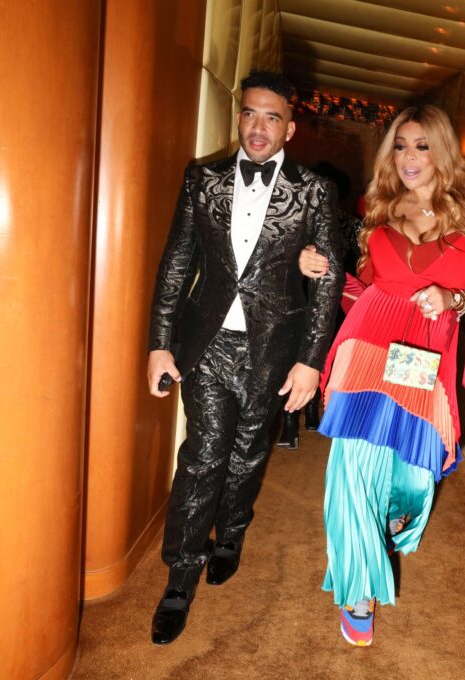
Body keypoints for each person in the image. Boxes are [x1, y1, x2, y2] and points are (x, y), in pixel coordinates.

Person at [145, 70, 343, 645]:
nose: (258, 128)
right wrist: (160, 342)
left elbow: (327, 280)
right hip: (206, 344)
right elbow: (177, 261)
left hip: (275, 349)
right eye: (250, 114)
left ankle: (231, 532)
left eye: (272, 117)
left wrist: (311, 361)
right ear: (240, 117)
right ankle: (180, 576)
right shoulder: (201, 178)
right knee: (203, 456)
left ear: (290, 127)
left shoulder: (313, 191)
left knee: (248, 453)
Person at [298, 104, 465, 646]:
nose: (409, 157)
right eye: (400, 145)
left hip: (424, 355)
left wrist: (453, 297)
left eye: (421, 145)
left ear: (442, 150)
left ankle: (382, 532)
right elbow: (363, 289)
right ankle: (358, 588)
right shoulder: (377, 208)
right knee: (352, 464)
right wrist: (323, 274)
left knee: (412, 481)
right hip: (368, 343)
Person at [276, 161, 363, 449]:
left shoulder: (308, 220)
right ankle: (308, 416)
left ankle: (293, 425)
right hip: (327, 301)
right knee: (316, 355)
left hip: (320, 300)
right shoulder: (351, 224)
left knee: (299, 356)